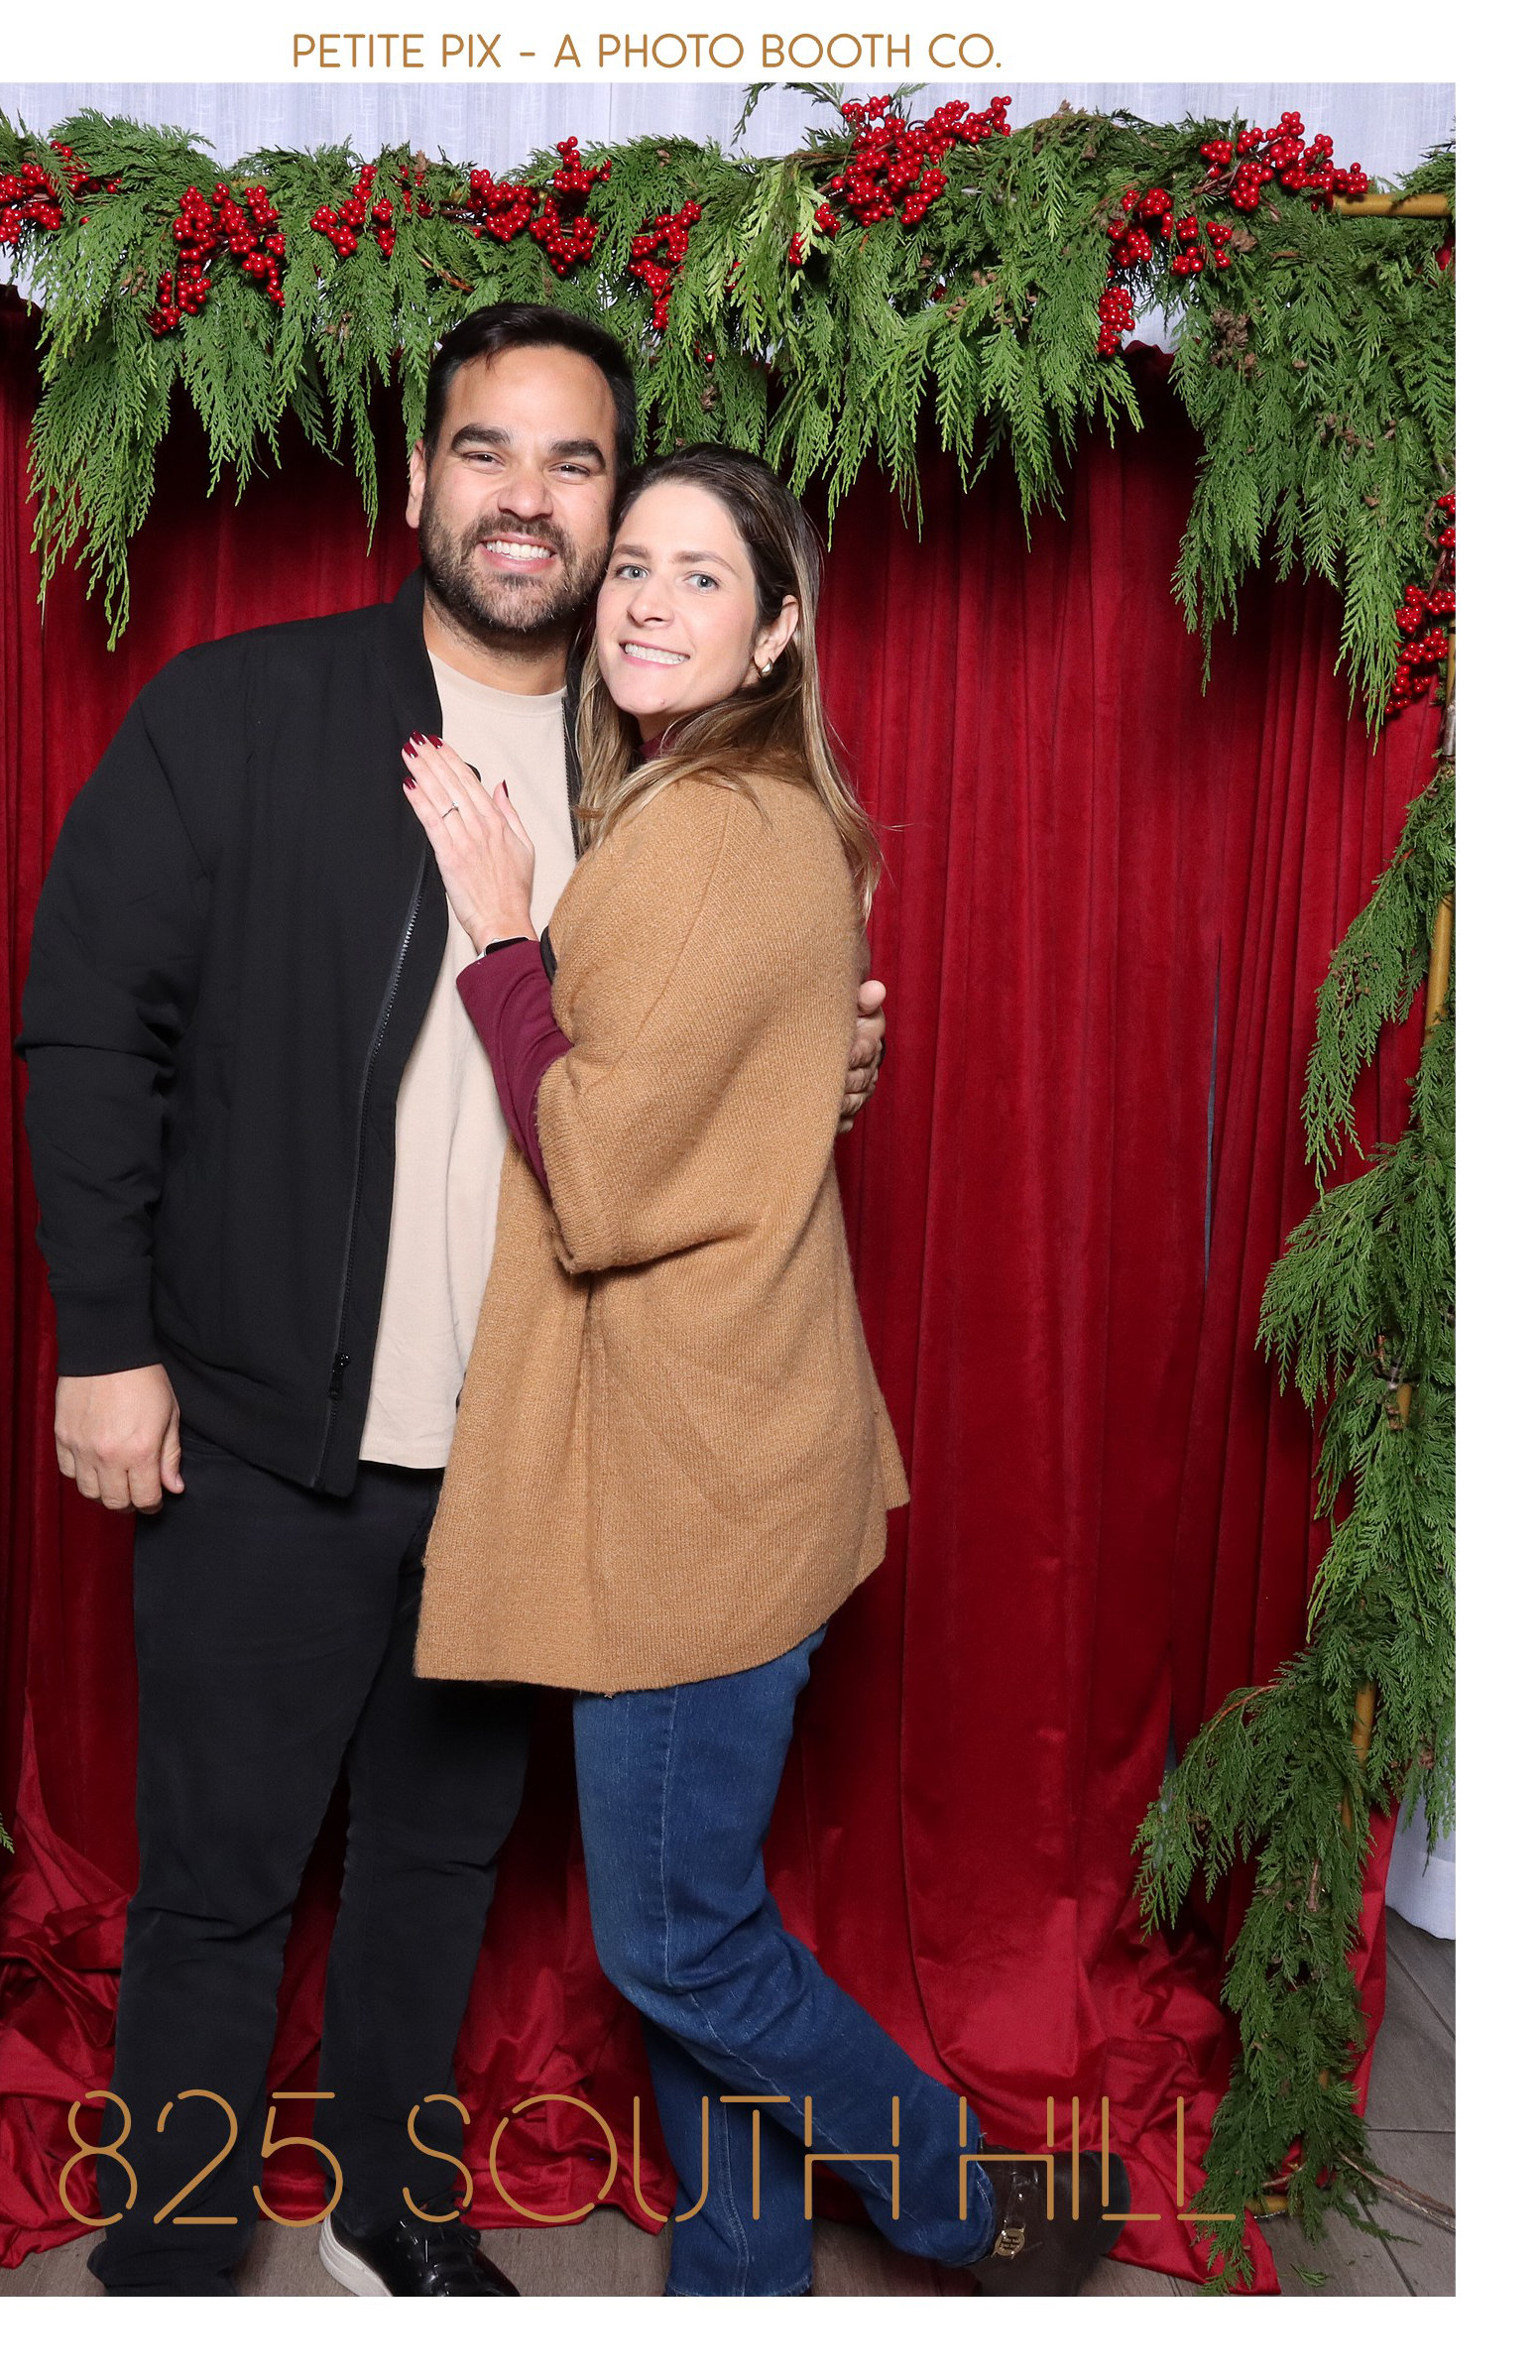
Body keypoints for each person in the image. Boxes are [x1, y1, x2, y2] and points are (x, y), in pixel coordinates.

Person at [17, 305, 888, 2298]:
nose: (526, 497)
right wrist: (107, 1341)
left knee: (435, 1865)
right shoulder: (241, 712)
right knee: (221, 1885)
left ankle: (394, 2213)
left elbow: (698, 1061)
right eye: (487, 449)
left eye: (576, 464)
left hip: (523, 1455)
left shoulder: (651, 773)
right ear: (416, 479)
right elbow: (87, 1031)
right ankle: (172, 2256)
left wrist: (821, 1063)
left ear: (617, 510)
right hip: (261, 1429)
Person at [404, 444, 1130, 2297]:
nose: (647, 601)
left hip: (694, 1491)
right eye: (633, 566)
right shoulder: (733, 808)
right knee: (695, 1920)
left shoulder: (712, 833)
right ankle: (742, 2280)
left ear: (778, 630)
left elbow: (600, 1173)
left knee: (676, 1943)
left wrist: (502, 937)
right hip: (733, 1451)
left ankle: (974, 2203)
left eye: (702, 576)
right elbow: (740, 1088)